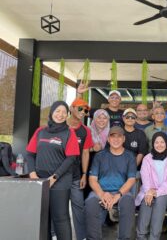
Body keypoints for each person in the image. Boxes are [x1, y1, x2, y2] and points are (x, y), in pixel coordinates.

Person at [26, 101, 80, 240]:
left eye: (64, 112)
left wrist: (54, 178)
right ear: (52, 112)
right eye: (57, 111)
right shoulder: (40, 131)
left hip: (60, 181)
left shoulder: (69, 133)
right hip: (39, 180)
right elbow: (30, 154)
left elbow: (71, 159)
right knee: (43, 218)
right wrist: (33, 174)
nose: (60, 114)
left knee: (60, 218)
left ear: (67, 115)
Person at [85, 126, 136, 240]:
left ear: (124, 139)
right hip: (101, 191)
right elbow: (92, 179)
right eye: (113, 137)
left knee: (128, 201)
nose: (116, 139)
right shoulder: (100, 156)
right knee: (90, 202)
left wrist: (118, 194)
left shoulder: (130, 156)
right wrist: (102, 194)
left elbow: (131, 179)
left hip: (121, 192)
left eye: (119, 137)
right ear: (108, 139)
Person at [135, 132, 167, 240]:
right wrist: (149, 191)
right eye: (156, 142)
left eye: (162, 142)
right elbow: (145, 179)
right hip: (148, 191)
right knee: (147, 199)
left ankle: (154, 237)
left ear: (166, 144)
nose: (159, 145)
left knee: (159, 200)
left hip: (166, 194)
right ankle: (141, 236)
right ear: (153, 144)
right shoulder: (147, 158)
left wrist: (156, 192)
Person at [67, 98, 94, 240]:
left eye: (85, 110)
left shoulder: (86, 131)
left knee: (78, 206)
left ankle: (82, 237)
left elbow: (85, 153)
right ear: (71, 108)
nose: (83, 112)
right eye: (80, 108)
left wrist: (84, 174)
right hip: (57, 176)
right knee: (56, 207)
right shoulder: (60, 126)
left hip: (76, 175)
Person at [85, 109, 110, 198]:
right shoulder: (87, 131)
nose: (102, 120)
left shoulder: (111, 134)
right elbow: (79, 150)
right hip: (89, 166)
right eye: (99, 117)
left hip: (106, 169)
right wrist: (92, 149)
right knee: (88, 194)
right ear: (94, 118)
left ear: (108, 120)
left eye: (105, 118)